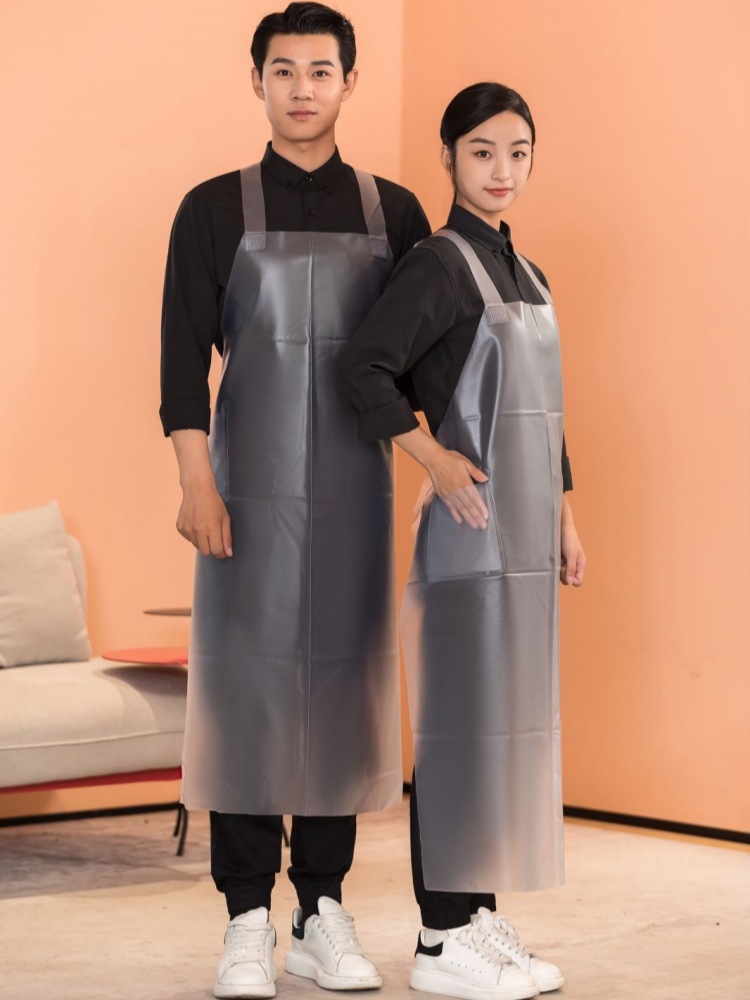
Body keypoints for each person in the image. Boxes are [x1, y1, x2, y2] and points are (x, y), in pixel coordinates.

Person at [159, 4, 430, 997]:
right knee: (247, 694)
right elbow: (181, 361)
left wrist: (447, 470)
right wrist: (196, 481)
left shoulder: (395, 213)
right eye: (285, 70)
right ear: (258, 80)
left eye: (322, 70)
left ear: (349, 82)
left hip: (359, 494)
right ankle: (245, 919)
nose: (303, 88)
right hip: (245, 491)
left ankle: (321, 910)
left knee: (338, 690)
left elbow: (430, 360)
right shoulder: (211, 208)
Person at [339, 82, 587, 1000]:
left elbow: (546, 416)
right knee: (456, 731)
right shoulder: (439, 265)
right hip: (470, 536)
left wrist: (564, 515)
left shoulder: (530, 274)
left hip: (524, 539)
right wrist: (434, 459)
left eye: (518, 152)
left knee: (502, 729)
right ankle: (440, 938)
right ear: (448, 158)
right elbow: (362, 367)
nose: (501, 170)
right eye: (482, 152)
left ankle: (478, 916)